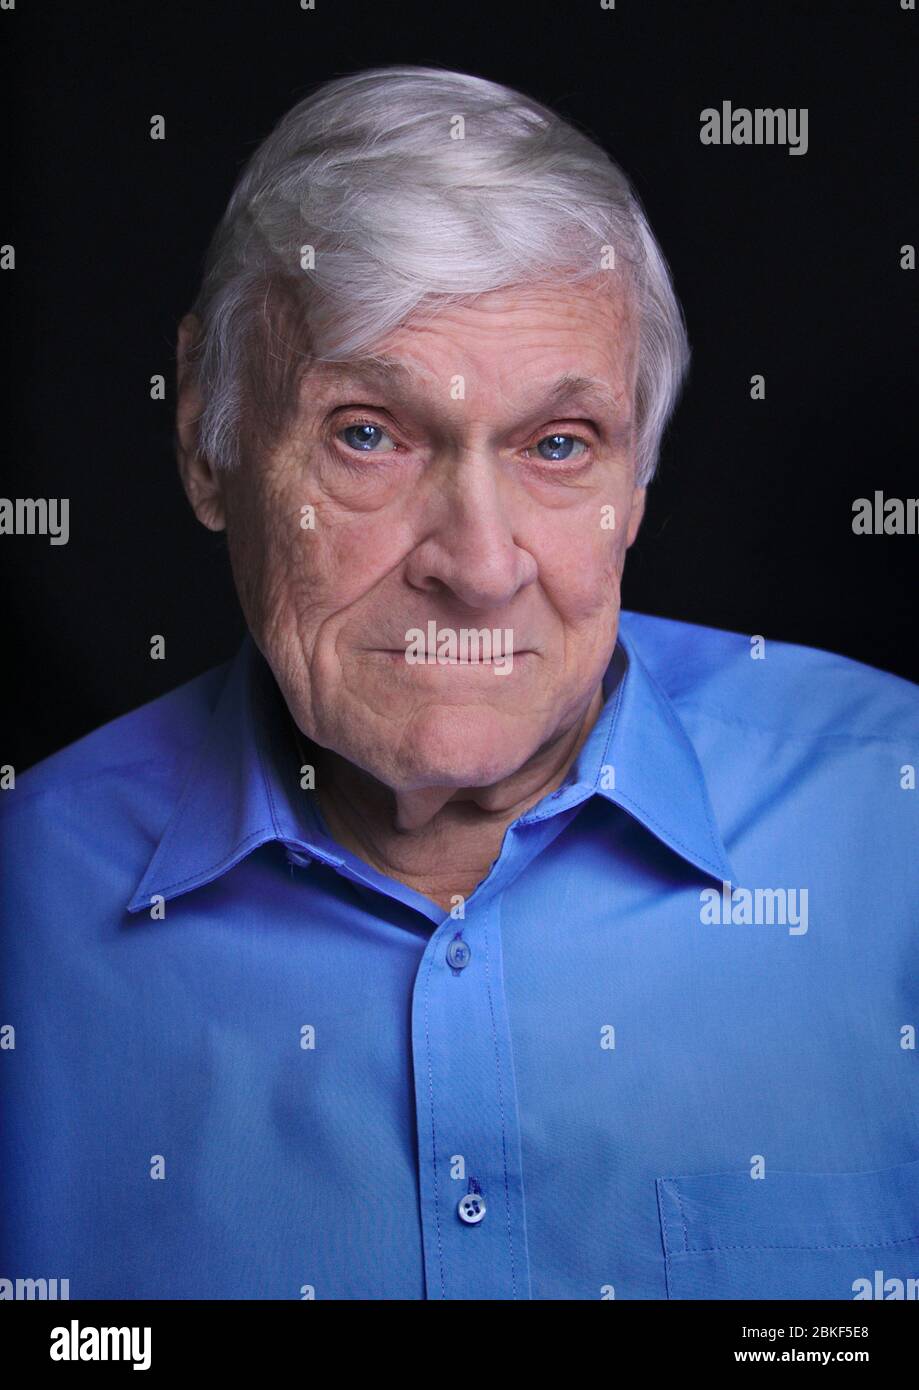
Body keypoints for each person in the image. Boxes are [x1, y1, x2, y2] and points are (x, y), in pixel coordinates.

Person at [3, 65, 918, 1301]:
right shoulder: (25, 911)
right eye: (368, 432)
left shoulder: (891, 824)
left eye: (557, 445)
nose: (480, 568)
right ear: (205, 433)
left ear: (635, 482)